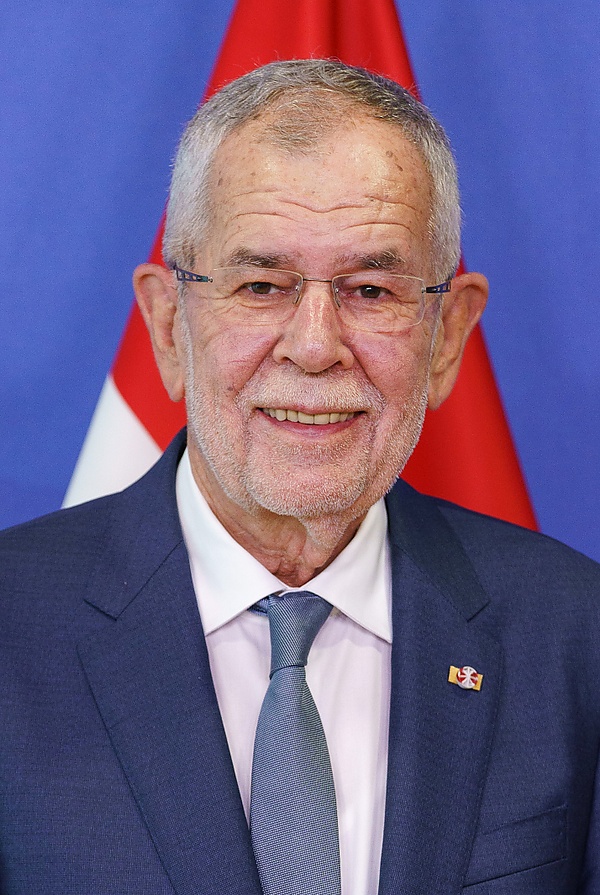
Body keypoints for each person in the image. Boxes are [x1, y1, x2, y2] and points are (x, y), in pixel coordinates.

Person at [1, 59, 599, 895]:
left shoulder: (575, 634)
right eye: (260, 285)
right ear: (168, 326)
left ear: (447, 337)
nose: (315, 346)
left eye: (371, 289)